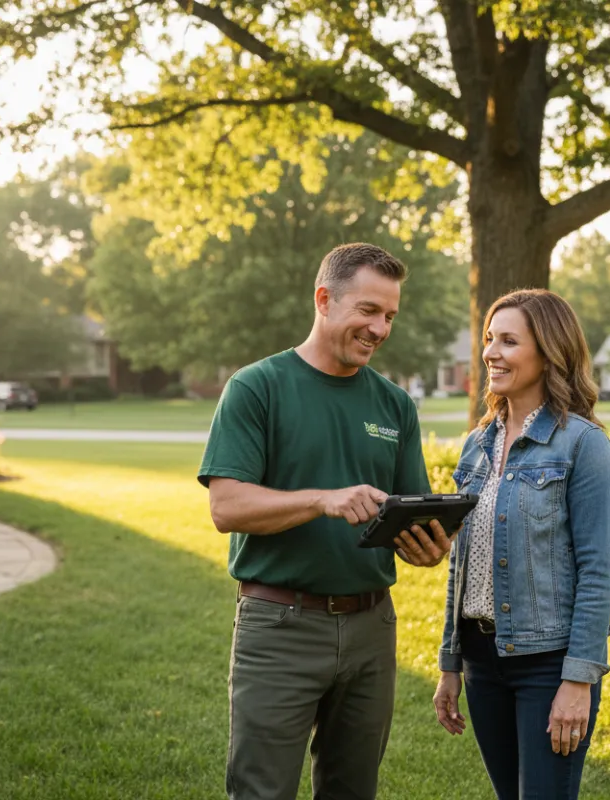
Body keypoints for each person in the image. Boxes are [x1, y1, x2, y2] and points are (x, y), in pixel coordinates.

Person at [198, 242, 455, 800]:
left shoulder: (395, 406)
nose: (380, 328)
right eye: (368, 310)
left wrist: (427, 546)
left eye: (389, 316)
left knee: (352, 791)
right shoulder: (257, 386)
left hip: (371, 629)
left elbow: (408, 512)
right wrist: (322, 500)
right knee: (261, 790)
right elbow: (227, 507)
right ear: (324, 299)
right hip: (279, 626)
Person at [420, 289, 610, 800]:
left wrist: (578, 680)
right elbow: (460, 563)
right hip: (482, 661)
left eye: (509, 341)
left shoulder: (583, 445)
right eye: (490, 339)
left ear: (549, 352)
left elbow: (598, 573)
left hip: (548, 664)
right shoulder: (477, 444)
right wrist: (451, 662)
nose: (491, 352)